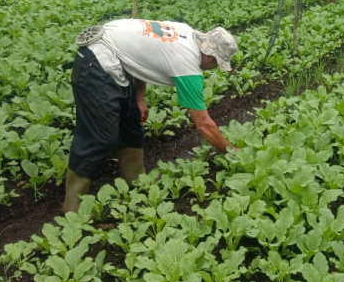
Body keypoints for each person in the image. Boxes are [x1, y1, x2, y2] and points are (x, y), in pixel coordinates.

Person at [62, 19, 238, 213]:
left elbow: (141, 59)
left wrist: (140, 97)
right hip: (96, 59)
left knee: (132, 124)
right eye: (217, 64)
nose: (214, 68)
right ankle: (73, 207)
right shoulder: (187, 63)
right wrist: (231, 152)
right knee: (99, 136)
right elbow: (203, 123)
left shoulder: (187, 33)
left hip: (115, 57)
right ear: (210, 57)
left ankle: (139, 184)